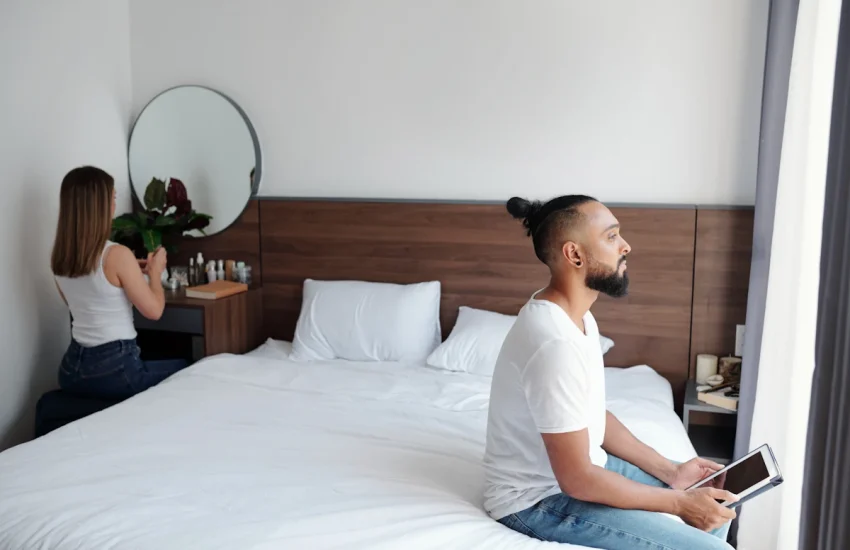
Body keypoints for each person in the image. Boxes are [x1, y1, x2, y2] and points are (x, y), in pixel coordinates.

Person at [483, 195, 737, 550]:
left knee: (711, 495)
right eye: (612, 236)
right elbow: (577, 480)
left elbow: (591, 415)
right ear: (574, 254)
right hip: (536, 501)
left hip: (585, 471)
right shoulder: (554, 343)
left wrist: (672, 472)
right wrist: (679, 504)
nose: (626, 246)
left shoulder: (578, 317)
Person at [51, 166, 188, 399]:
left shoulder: (59, 256)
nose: (115, 205)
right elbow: (155, 311)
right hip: (114, 370)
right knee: (187, 368)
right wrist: (155, 273)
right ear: (99, 205)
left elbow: (81, 301)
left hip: (72, 370)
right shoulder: (116, 254)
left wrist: (129, 270)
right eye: (112, 198)